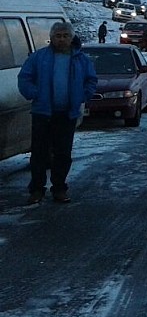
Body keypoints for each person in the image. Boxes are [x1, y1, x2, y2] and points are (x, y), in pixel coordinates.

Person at [17, 21, 97, 204]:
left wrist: (82, 96)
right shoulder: (39, 57)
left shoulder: (81, 60)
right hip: (42, 113)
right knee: (39, 153)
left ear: (71, 38)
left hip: (66, 114)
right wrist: (34, 93)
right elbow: (25, 78)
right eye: (58, 36)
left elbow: (91, 80)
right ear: (51, 38)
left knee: (63, 153)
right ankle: (36, 190)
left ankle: (59, 188)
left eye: (65, 36)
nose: (62, 39)